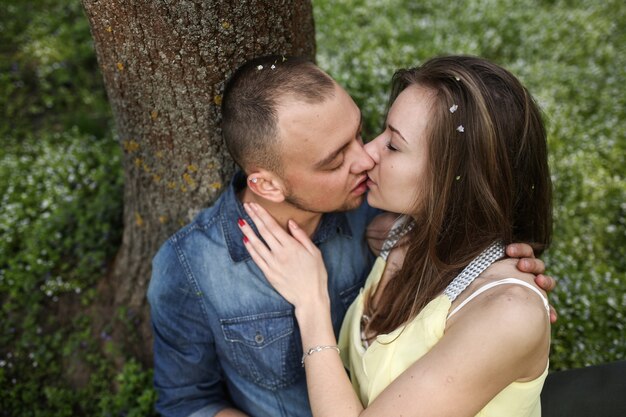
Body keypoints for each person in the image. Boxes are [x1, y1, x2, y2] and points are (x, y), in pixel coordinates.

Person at [148, 55, 555, 417]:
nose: (365, 159)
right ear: (267, 185)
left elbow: (485, 278)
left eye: (368, 135)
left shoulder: (386, 217)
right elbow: (187, 401)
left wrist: (510, 292)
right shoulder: (191, 265)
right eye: (335, 161)